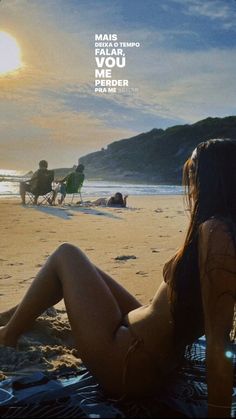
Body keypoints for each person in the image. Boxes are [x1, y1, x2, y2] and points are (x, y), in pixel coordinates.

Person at [1, 138, 236, 416]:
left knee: (66, 255)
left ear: (213, 175)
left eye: (194, 169)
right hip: (149, 343)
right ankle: (8, 318)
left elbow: (219, 340)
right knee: (81, 270)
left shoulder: (216, 233)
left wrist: (219, 412)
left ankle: (7, 336)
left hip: (130, 362)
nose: (190, 178)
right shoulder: (221, 226)